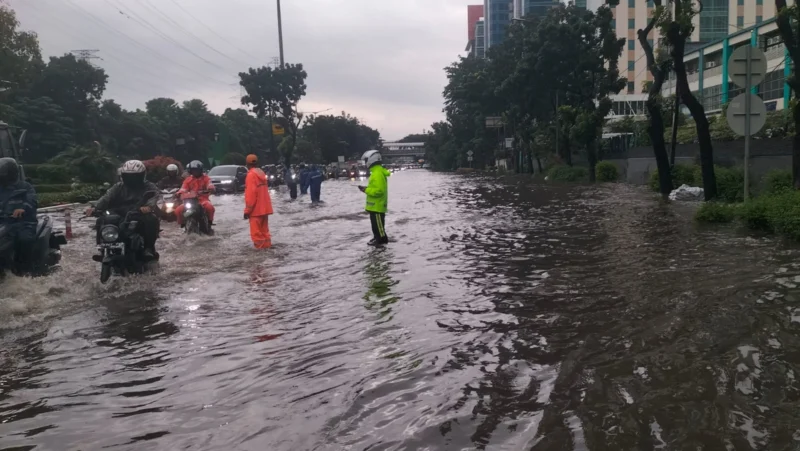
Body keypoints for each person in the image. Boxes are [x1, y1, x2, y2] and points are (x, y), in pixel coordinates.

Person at [87, 160, 162, 260]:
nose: (132, 179)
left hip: (139, 213)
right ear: (123, 175)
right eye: (128, 176)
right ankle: (102, 248)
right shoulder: (118, 187)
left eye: (135, 176)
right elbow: (106, 198)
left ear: (142, 175)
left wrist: (148, 207)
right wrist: (95, 208)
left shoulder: (149, 186)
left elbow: (154, 197)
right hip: (120, 213)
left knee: (151, 219)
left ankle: (148, 248)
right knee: (101, 220)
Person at [0, 158, 37, 271]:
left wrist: (23, 208)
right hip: (3, 224)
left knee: (24, 239)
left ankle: (26, 270)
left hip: (24, 223)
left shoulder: (25, 187)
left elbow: (32, 201)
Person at [358, 150, 390, 246]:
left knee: (379, 227)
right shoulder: (376, 172)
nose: (365, 162)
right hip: (374, 206)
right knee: (375, 226)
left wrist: (366, 190)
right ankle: (377, 238)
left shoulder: (377, 173)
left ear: (371, 160)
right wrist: (366, 189)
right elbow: (376, 188)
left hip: (377, 206)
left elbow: (379, 191)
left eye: (366, 160)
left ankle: (381, 241)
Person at [243, 154, 274, 249]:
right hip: (265, 209)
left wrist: (247, 211)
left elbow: (251, 195)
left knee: (256, 235)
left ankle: (260, 256)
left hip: (256, 211)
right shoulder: (262, 174)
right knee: (265, 233)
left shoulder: (251, 175)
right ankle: (268, 250)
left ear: (247, 164)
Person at [175, 160, 216, 228]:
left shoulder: (206, 178)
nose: (195, 172)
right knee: (178, 210)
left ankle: (209, 222)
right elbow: (183, 188)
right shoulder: (188, 179)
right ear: (190, 171)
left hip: (203, 200)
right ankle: (183, 223)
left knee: (210, 207)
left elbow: (210, 184)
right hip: (190, 201)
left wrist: (210, 188)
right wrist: (178, 193)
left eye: (197, 170)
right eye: (193, 170)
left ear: (200, 170)